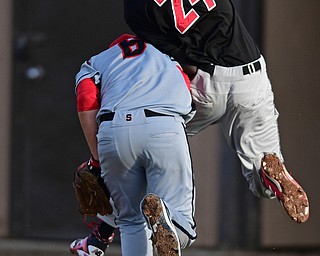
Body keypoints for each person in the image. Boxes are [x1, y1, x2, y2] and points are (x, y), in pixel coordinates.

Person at [122, 0, 309, 223]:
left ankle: (161, 212)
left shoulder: (134, 7)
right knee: (263, 183)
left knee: (149, 142)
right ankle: (268, 173)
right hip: (251, 78)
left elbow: (174, 59)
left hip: (205, 83)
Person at [70, 34, 196, 256]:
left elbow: (86, 100)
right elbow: (188, 95)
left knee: (130, 221)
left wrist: (97, 159)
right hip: (163, 124)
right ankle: (167, 218)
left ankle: (157, 221)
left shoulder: (97, 61)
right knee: (182, 220)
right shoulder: (167, 58)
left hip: (113, 129)